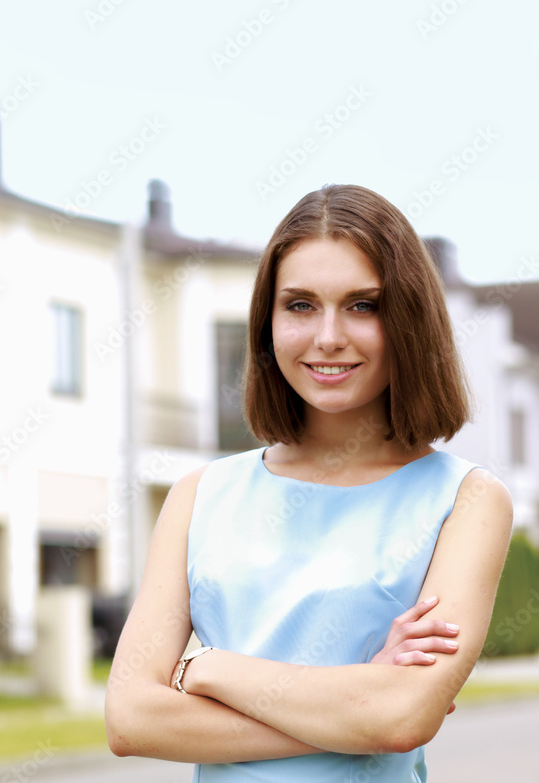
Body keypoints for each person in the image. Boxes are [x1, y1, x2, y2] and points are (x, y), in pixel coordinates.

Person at [104, 184, 513, 781]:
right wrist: (355, 708)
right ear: (267, 322)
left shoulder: (467, 501)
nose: (327, 336)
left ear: (408, 320)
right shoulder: (200, 495)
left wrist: (208, 671)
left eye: (362, 305)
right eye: (299, 305)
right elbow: (131, 718)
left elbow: (400, 718)